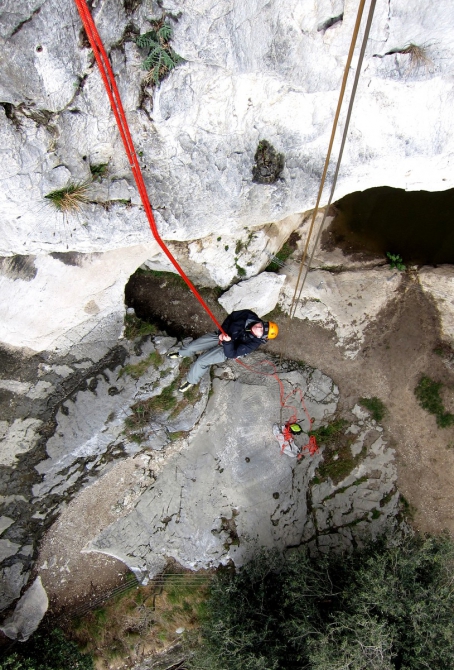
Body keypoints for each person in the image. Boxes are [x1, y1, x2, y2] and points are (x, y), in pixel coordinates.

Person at [168, 309, 279, 392]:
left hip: (228, 350)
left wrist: (228, 342)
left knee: (201, 361)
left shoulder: (253, 344)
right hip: (222, 335)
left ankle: (190, 381)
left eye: (261, 331)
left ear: (262, 337)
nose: (258, 328)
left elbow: (231, 354)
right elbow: (232, 317)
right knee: (192, 347)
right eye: (261, 325)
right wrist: (222, 333)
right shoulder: (248, 315)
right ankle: (182, 353)